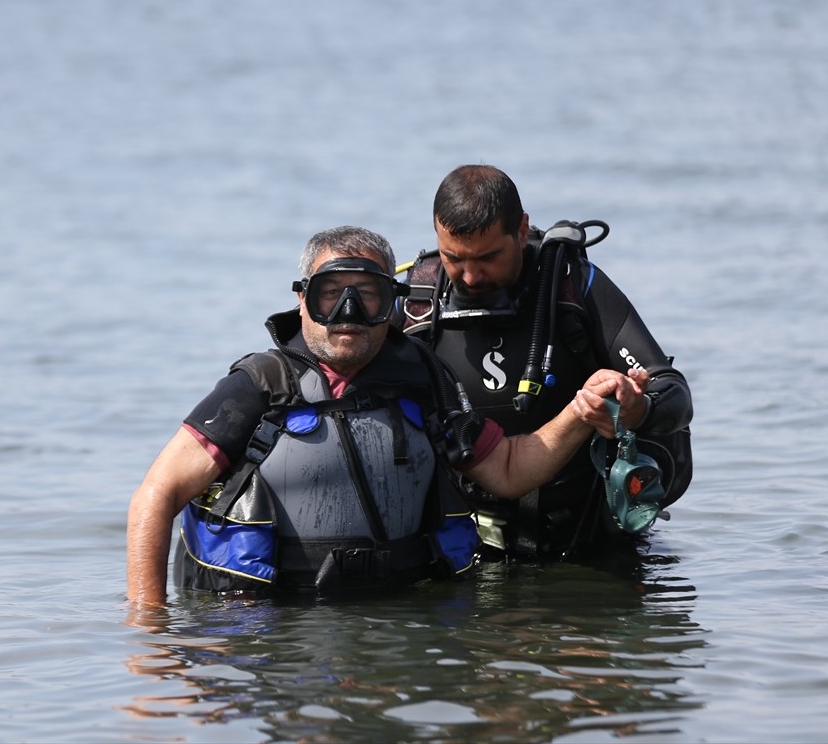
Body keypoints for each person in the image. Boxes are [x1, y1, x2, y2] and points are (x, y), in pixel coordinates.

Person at [126, 225, 643, 606]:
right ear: (303, 300)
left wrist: (580, 410)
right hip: (268, 625)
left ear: (392, 306)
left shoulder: (423, 379)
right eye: (332, 295)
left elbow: (508, 470)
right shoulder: (261, 385)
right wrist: (149, 636)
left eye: (367, 296)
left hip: (400, 613)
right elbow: (156, 494)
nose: (348, 313)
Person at [397, 165, 694, 559]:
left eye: (487, 257)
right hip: (463, 545)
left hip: (587, 545)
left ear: (521, 230)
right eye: (454, 258)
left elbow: (673, 391)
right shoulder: (417, 302)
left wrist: (639, 408)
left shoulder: (572, 286)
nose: (469, 277)